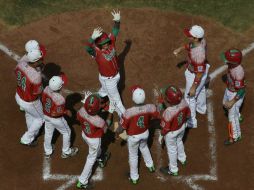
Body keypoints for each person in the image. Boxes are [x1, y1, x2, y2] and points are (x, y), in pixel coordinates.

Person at [85, 10, 125, 118]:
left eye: (107, 42)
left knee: (104, 91)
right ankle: (126, 121)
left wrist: (117, 21)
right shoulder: (96, 53)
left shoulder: (111, 43)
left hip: (115, 76)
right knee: (117, 102)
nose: (106, 44)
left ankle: (94, 99)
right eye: (103, 43)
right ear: (99, 44)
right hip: (108, 80)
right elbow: (87, 48)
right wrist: (92, 38)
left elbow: (115, 31)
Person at [116, 86, 159, 185]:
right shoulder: (150, 107)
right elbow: (158, 112)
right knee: (144, 147)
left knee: (133, 156)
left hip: (133, 137)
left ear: (133, 98)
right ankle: (150, 165)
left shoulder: (128, 112)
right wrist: (160, 103)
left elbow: (121, 128)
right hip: (145, 134)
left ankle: (134, 177)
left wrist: (117, 133)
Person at [173, 25, 210, 128]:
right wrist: (180, 49)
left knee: (190, 97)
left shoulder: (198, 54)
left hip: (196, 74)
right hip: (202, 70)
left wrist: (193, 87)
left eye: (190, 35)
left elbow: (199, 72)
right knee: (202, 89)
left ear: (196, 38)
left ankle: (191, 121)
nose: (188, 36)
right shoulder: (201, 41)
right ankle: (201, 109)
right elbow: (190, 45)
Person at [76, 94, 110, 189]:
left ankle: (100, 158)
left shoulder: (81, 111)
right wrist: (110, 113)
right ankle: (82, 181)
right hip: (94, 140)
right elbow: (106, 128)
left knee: (95, 152)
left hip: (85, 135)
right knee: (91, 158)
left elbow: (79, 118)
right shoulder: (98, 120)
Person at [42, 76, 79, 158]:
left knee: (48, 132)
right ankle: (66, 152)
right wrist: (66, 111)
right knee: (67, 132)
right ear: (59, 87)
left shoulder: (46, 89)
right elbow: (57, 113)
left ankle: (47, 151)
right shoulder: (60, 99)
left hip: (45, 115)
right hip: (56, 119)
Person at [158, 85, 191, 176]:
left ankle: (173, 169)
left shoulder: (168, 112)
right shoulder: (184, 102)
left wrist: (162, 135)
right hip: (182, 128)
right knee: (179, 141)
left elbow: (165, 128)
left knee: (172, 150)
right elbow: (188, 116)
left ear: (169, 100)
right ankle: (182, 158)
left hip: (171, 133)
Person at [15, 49, 44, 146]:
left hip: (18, 95)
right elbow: (38, 92)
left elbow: (16, 72)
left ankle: (32, 132)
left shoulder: (21, 64)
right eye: (39, 60)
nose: (41, 61)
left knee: (29, 114)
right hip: (29, 101)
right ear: (35, 62)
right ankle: (26, 139)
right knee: (40, 118)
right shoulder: (36, 76)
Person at [221, 49, 246, 145]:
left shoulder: (238, 72)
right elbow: (224, 58)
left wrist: (232, 101)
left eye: (227, 59)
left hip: (235, 94)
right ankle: (238, 115)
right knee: (224, 104)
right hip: (229, 90)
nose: (225, 60)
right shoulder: (232, 64)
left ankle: (235, 136)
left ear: (234, 62)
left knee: (231, 117)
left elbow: (242, 89)